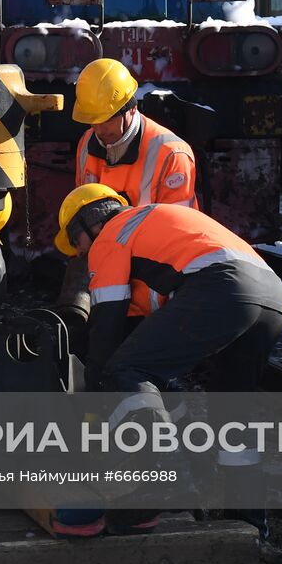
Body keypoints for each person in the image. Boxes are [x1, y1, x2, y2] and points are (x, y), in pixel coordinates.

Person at [56, 184, 282, 535]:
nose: (79, 253)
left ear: (89, 224)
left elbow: (106, 328)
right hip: (271, 294)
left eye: (76, 242)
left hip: (221, 286)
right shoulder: (152, 224)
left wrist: (94, 395)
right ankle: (248, 522)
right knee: (231, 408)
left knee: (127, 369)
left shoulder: (111, 236)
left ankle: (163, 483)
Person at [56, 58, 199, 351]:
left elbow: (179, 241)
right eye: (92, 119)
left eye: (106, 118)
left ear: (130, 108)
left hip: (154, 297)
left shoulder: (171, 154)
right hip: (109, 287)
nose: (99, 128)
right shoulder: (87, 144)